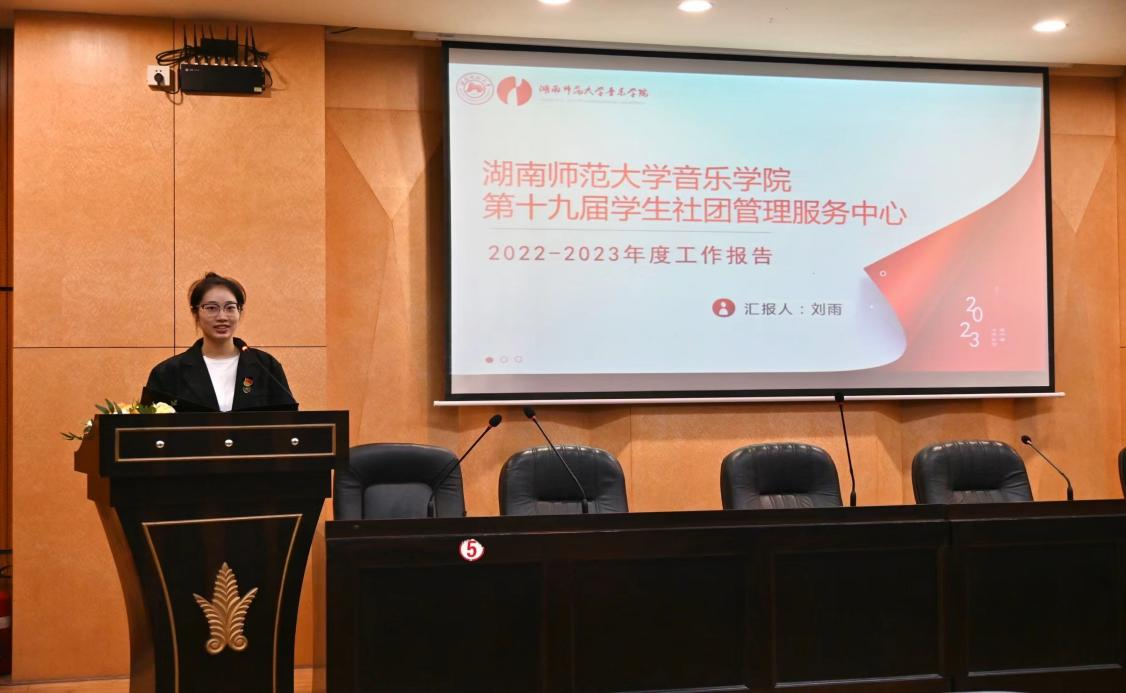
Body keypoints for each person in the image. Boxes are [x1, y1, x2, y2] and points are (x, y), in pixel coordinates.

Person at [143, 272, 297, 412]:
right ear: (195, 312)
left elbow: (289, 421)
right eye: (211, 308)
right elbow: (148, 427)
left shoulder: (266, 366)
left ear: (240, 311)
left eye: (230, 308)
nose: (222, 317)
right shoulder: (168, 373)